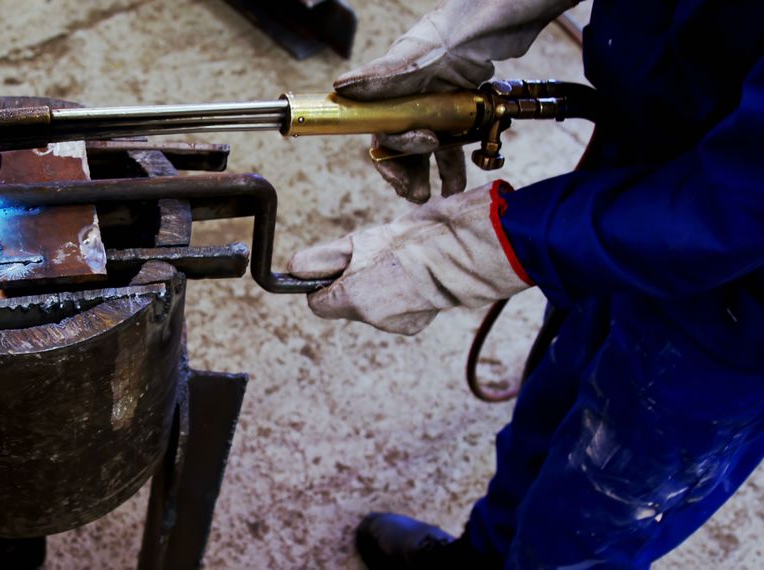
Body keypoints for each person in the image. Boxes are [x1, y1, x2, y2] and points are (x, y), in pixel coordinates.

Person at [287, 0, 764, 568]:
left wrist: (487, 246)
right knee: (549, 405)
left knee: (600, 502)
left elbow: (737, 208)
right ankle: (484, 556)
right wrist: (483, 20)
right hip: (640, 161)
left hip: (739, 304)